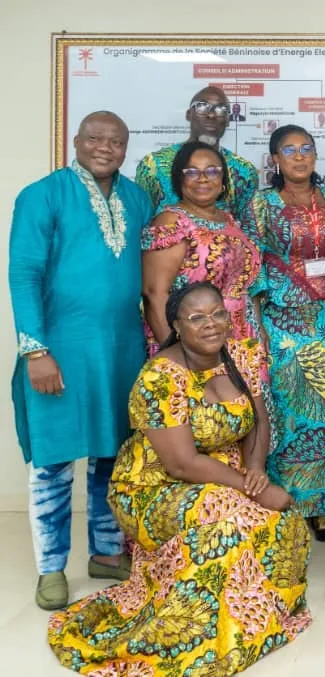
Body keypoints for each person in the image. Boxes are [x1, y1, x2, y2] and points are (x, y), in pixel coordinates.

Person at [47, 282, 311, 675]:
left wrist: (256, 470)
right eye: (197, 318)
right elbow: (182, 464)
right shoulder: (159, 378)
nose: (211, 324)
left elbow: (258, 421)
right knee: (227, 527)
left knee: (283, 521)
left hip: (223, 474)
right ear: (176, 326)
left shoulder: (241, 354)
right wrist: (250, 490)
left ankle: (249, 622)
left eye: (218, 313)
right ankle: (196, 636)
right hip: (153, 487)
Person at [8, 111, 150, 610]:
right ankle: (51, 569)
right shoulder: (41, 195)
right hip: (59, 351)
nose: (104, 147)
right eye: (94, 138)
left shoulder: (138, 198)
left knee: (113, 455)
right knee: (54, 461)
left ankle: (107, 553)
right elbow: (23, 274)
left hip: (122, 349)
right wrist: (35, 350)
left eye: (116, 141)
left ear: (126, 148)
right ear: (76, 140)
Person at [243, 125, 325, 542]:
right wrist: (257, 329)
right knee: (293, 412)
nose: (298, 156)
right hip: (285, 323)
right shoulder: (260, 205)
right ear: (275, 159)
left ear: (315, 154)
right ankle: (292, 499)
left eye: (306, 148)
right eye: (288, 150)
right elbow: (251, 266)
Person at [141, 141, 262, 357]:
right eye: (192, 172)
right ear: (179, 179)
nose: (203, 178)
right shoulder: (172, 222)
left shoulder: (228, 220)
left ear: (223, 180)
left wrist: (258, 333)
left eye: (212, 171)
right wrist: (178, 354)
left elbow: (244, 288)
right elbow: (154, 294)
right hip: (194, 341)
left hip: (242, 339)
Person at [135, 87, 258, 221]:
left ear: (228, 120)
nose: (211, 115)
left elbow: (247, 226)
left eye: (221, 109)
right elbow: (142, 220)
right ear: (188, 114)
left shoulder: (245, 171)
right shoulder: (153, 165)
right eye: (202, 107)